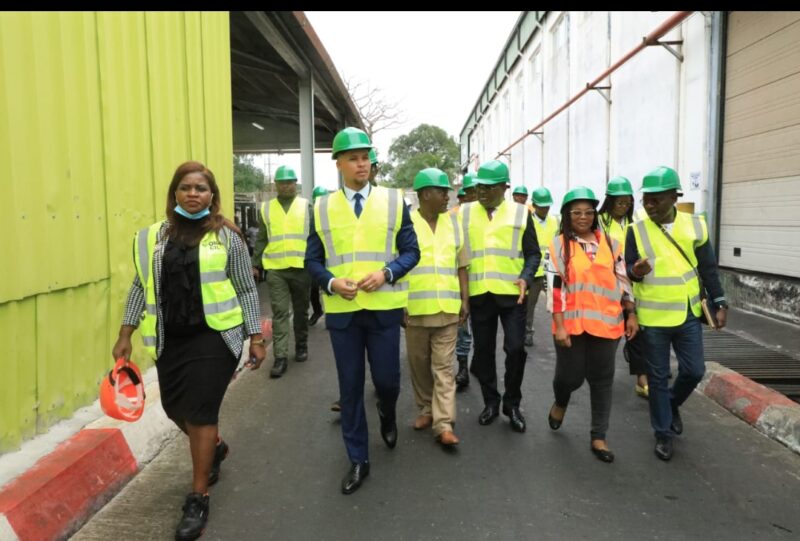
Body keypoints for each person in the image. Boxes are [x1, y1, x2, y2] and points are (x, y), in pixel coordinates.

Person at [112, 161, 266, 541]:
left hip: (216, 337)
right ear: (174, 193)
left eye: (201, 188)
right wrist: (125, 332)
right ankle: (215, 446)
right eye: (186, 187)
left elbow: (246, 289)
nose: (193, 194)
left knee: (199, 412)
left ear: (212, 196)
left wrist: (256, 336)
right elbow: (138, 287)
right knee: (173, 409)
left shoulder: (227, 237)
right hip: (170, 338)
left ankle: (198, 496)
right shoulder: (152, 237)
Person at [305, 127, 420, 494]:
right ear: (338, 163)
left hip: (384, 309)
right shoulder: (321, 207)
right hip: (343, 311)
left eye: (366, 157)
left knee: (387, 381)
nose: (362, 164)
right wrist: (330, 282)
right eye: (353, 158)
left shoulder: (393, 201)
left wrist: (386, 273)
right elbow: (313, 259)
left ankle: (387, 410)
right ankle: (358, 458)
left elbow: (411, 252)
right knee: (350, 387)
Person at [626, 166, 728, 461]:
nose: (649, 205)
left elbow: (708, 267)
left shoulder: (695, 226)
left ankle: (670, 405)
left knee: (694, 370)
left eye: (656, 199)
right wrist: (637, 271)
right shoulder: (636, 230)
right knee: (657, 377)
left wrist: (720, 303)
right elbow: (629, 271)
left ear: (674, 197)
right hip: (654, 317)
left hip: (687, 312)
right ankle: (663, 433)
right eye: (646, 199)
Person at [545, 186, 638, 464]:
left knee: (602, 380)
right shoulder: (560, 245)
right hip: (571, 325)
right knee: (570, 377)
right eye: (576, 212)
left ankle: (599, 435)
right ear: (567, 215)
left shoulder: (611, 244)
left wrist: (631, 313)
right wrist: (559, 325)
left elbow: (623, 281)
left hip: (608, 325)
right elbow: (555, 288)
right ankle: (561, 401)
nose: (583, 217)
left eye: (588, 212)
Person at [463, 160, 540, 432]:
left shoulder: (521, 214)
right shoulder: (464, 213)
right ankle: (491, 402)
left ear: (504, 188)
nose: (482, 192)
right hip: (479, 294)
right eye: (479, 187)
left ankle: (512, 403)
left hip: (511, 295)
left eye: (489, 188)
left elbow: (533, 253)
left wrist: (526, 276)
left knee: (516, 349)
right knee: (483, 352)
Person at [405, 168, 469, 447]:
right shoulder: (404, 225)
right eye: (443, 192)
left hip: (447, 307)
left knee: (444, 368)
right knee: (419, 364)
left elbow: (461, 265)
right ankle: (426, 409)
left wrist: (465, 300)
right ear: (425, 194)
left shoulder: (454, 223)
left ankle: (444, 423)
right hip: (415, 308)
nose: (447, 197)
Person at [251, 165, 312, 378]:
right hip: (276, 269)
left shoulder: (307, 207)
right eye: (282, 182)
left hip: (301, 267)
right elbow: (261, 238)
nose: (286, 186)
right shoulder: (266, 209)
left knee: (301, 310)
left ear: (296, 183)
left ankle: (302, 344)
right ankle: (280, 357)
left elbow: (315, 238)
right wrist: (255, 263)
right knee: (280, 313)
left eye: (290, 182)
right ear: (275, 185)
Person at [597, 176, 649, 398]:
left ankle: (641, 378)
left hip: (631, 283)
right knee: (608, 334)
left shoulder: (634, 223)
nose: (624, 206)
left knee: (636, 332)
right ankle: (600, 373)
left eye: (627, 202)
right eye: (620, 202)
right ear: (609, 201)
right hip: (606, 286)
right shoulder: (598, 222)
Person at [450, 171, 477, 390]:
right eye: (472, 192)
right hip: (462, 279)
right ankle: (462, 367)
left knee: (482, 331)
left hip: (485, 282)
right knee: (463, 329)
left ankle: (477, 363)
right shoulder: (453, 216)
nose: (476, 196)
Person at [526, 186, 560, 347]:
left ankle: (562, 329)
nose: (545, 209)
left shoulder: (555, 221)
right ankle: (527, 333)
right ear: (534, 205)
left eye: (547, 206)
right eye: (542, 206)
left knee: (558, 303)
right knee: (529, 306)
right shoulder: (528, 222)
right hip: (535, 273)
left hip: (552, 271)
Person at [308, 186, 329, 327]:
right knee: (313, 288)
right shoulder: (310, 215)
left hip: (330, 256)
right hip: (315, 256)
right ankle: (317, 311)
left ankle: (331, 317)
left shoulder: (334, 213)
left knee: (329, 287)